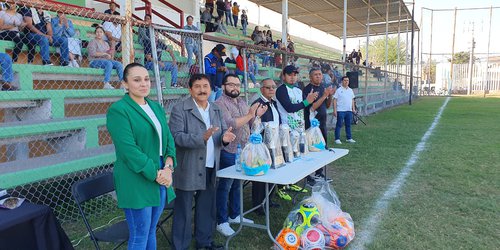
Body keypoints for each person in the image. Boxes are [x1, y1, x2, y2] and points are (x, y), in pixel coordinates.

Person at [106, 63, 177, 250]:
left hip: (162, 171)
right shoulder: (119, 110)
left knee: (151, 229)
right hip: (136, 176)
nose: (143, 83)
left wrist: (168, 168)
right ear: (125, 84)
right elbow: (129, 151)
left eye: (146, 79)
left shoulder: (155, 107)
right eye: (136, 80)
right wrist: (157, 174)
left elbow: (168, 139)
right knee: (139, 234)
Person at [169, 73, 235, 250]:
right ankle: (180, 245)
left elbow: (220, 135)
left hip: (210, 165)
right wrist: (201, 137)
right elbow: (176, 137)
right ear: (190, 89)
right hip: (188, 167)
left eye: (205, 86)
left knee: (207, 206)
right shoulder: (179, 109)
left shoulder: (215, 109)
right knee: (183, 208)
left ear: (210, 89)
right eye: (197, 86)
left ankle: (204, 242)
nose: (202, 90)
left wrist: (225, 139)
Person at [215, 74, 267, 236]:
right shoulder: (219, 104)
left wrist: (257, 116)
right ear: (223, 87)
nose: (235, 88)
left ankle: (235, 215)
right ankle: (221, 221)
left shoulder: (242, 102)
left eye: (237, 85)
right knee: (225, 186)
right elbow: (233, 123)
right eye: (231, 84)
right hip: (228, 150)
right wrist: (251, 115)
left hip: (244, 150)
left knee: (237, 184)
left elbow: (249, 123)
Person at [251, 78, 280, 214]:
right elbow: (254, 126)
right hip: (261, 145)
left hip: (273, 143)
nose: (271, 89)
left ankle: (268, 200)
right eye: (268, 87)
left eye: (273, 87)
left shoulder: (273, 103)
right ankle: (258, 205)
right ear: (262, 89)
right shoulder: (257, 104)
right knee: (260, 177)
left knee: (271, 174)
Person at [303, 68, 334, 186]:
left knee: (322, 149)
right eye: (315, 75)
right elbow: (312, 107)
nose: (318, 76)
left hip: (322, 124)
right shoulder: (307, 90)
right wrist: (324, 95)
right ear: (310, 77)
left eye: (320, 74)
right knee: (311, 150)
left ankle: (319, 173)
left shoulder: (322, 88)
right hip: (311, 126)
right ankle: (308, 176)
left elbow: (327, 105)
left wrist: (329, 95)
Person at [275, 65, 317, 130]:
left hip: (300, 127)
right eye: (289, 75)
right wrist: (307, 102)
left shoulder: (299, 90)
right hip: (287, 129)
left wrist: (312, 99)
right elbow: (289, 108)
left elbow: (306, 106)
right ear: (283, 76)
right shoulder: (281, 90)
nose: (292, 77)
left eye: (294, 75)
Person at [333, 76, 356, 144]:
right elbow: (334, 100)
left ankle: (349, 138)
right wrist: (335, 110)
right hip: (341, 110)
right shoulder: (339, 90)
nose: (346, 82)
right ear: (342, 81)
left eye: (347, 80)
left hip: (349, 110)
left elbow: (352, 100)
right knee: (339, 124)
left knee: (348, 125)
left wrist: (353, 109)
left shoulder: (350, 90)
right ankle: (337, 139)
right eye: (345, 80)